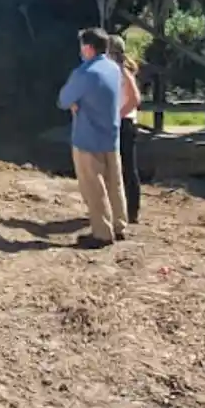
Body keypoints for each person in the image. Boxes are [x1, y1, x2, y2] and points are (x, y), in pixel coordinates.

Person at [57, 28, 129, 247]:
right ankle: (120, 225)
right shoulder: (114, 69)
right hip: (111, 134)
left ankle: (102, 232)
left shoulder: (84, 73)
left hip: (88, 138)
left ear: (87, 48)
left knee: (93, 186)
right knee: (115, 182)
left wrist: (74, 104)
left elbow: (63, 99)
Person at [108, 34, 143, 225]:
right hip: (118, 122)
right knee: (116, 168)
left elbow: (135, 99)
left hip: (125, 124)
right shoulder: (114, 70)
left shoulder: (122, 71)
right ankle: (120, 209)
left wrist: (118, 115)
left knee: (128, 168)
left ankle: (132, 211)